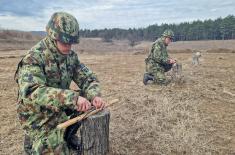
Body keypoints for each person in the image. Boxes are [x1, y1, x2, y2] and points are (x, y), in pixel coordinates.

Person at [14, 12, 105, 154]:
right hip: (37, 115)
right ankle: (35, 141)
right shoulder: (34, 58)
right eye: (65, 42)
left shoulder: (70, 57)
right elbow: (33, 91)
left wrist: (94, 95)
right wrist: (72, 99)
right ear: (53, 37)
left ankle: (65, 136)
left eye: (71, 43)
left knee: (87, 100)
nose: (69, 47)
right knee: (57, 150)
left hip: (57, 109)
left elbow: (88, 78)